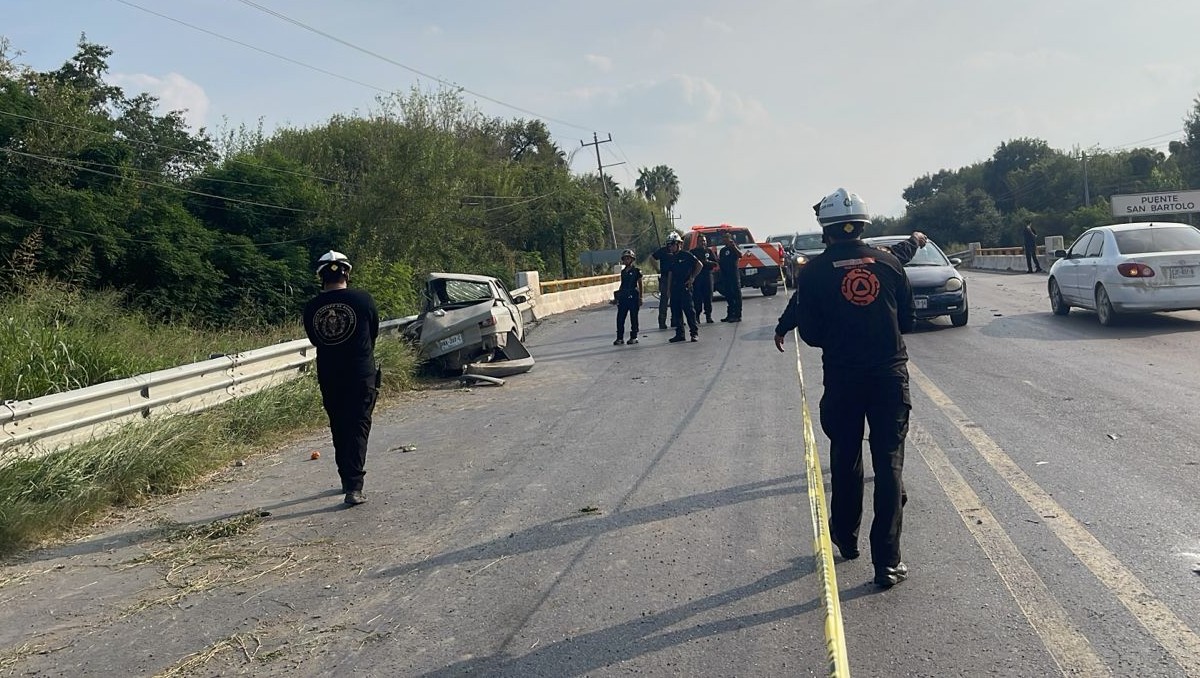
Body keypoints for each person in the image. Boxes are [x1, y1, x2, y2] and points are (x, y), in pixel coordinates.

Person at [773, 188, 914, 588]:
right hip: (889, 377)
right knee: (889, 464)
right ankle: (887, 562)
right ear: (864, 226)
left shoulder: (813, 273)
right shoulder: (889, 263)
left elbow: (813, 334)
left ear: (826, 229)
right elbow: (906, 318)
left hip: (843, 379)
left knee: (846, 455)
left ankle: (846, 537)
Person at [302, 250, 381, 507]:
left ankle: (347, 479)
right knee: (358, 425)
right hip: (360, 373)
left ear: (320, 277)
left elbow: (316, 339)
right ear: (347, 272)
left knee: (339, 425)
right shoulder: (363, 299)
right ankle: (354, 487)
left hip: (329, 374)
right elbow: (373, 333)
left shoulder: (312, 307)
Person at [665, 235, 702, 342]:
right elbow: (670, 274)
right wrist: (668, 289)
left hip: (685, 286)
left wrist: (692, 278)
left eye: (672, 245)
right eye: (669, 245)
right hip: (675, 288)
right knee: (676, 311)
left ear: (678, 244)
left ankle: (694, 333)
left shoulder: (687, 255)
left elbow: (699, 265)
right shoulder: (671, 257)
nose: (670, 247)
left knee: (689, 311)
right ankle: (680, 334)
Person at [651, 233, 682, 330]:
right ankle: (662, 321)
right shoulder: (662, 251)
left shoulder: (679, 253)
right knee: (664, 301)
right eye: (670, 243)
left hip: (676, 279)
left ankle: (675, 320)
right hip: (665, 278)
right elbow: (652, 258)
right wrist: (657, 269)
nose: (671, 245)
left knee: (676, 300)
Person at [614, 249, 643, 345]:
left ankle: (634, 336)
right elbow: (622, 284)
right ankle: (619, 338)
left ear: (632, 259)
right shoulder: (623, 272)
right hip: (624, 297)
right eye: (625, 259)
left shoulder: (636, 271)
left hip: (633, 296)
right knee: (620, 318)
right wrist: (617, 296)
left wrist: (640, 297)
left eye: (628, 258)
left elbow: (640, 284)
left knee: (633, 317)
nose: (626, 260)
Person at [690, 234, 718, 323]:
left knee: (708, 296)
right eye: (701, 241)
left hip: (707, 276)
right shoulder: (693, 252)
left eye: (704, 241)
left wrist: (707, 262)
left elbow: (715, 263)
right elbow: (691, 265)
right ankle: (697, 316)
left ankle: (708, 316)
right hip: (697, 277)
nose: (703, 242)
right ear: (697, 242)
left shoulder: (709, 251)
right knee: (697, 297)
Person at [717, 231, 743, 322]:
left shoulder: (734, 248)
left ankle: (737, 314)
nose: (724, 240)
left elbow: (740, 255)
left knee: (736, 294)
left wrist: (734, 246)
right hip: (725, 275)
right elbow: (720, 261)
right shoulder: (723, 250)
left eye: (726, 238)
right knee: (728, 295)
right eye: (723, 238)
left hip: (733, 274)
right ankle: (730, 314)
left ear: (730, 239)